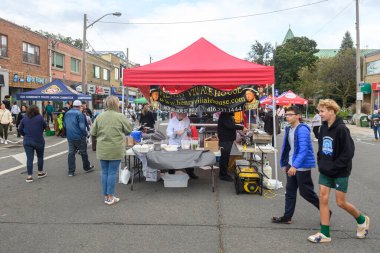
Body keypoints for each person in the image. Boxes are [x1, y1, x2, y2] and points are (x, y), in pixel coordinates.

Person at [308, 99, 370, 243]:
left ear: (332, 111)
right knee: (322, 198)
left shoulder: (342, 129)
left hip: (340, 171)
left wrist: (334, 166)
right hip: (325, 170)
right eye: (319, 111)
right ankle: (325, 234)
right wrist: (321, 163)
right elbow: (322, 149)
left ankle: (362, 220)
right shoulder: (323, 128)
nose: (320, 114)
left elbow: (348, 153)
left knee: (340, 202)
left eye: (322, 111)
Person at [272, 106, 320, 224]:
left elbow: (303, 150)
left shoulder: (302, 129)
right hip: (291, 164)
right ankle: (287, 217)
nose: (287, 116)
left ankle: (325, 212)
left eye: (290, 114)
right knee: (290, 191)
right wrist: (285, 163)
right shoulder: (289, 129)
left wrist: (295, 166)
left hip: (301, 167)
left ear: (298, 116)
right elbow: (287, 148)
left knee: (306, 193)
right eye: (287, 114)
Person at [91, 96, 133, 205]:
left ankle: (106, 196)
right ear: (116, 104)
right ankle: (110, 197)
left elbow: (93, 132)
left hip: (102, 148)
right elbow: (129, 130)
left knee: (105, 173)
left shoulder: (99, 117)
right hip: (115, 148)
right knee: (112, 173)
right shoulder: (120, 116)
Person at [63, 100, 94, 176]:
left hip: (70, 136)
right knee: (83, 152)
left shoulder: (67, 113)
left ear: (73, 105)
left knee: (71, 153)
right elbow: (82, 126)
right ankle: (86, 167)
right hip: (79, 136)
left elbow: (64, 124)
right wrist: (85, 134)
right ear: (80, 106)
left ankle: (71, 171)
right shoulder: (80, 114)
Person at [18, 105, 47, 182]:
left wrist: (24, 134)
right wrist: (41, 130)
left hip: (27, 140)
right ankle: (40, 172)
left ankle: (29, 176)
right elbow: (45, 126)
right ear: (37, 110)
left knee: (29, 159)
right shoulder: (40, 117)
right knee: (40, 157)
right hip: (38, 139)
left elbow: (20, 128)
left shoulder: (25, 118)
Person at [166, 112, 199, 179]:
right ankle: (171, 172)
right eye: (183, 114)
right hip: (174, 143)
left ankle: (190, 172)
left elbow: (188, 128)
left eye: (185, 114)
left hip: (184, 141)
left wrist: (189, 133)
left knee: (187, 157)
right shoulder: (172, 121)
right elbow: (168, 133)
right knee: (173, 158)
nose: (185, 115)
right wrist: (175, 133)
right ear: (178, 114)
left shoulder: (187, 119)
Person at [217, 112, 248, 181]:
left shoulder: (228, 115)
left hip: (228, 139)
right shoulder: (225, 115)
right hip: (225, 140)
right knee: (224, 157)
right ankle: (223, 175)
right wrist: (242, 127)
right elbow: (230, 126)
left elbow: (231, 125)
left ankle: (224, 173)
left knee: (226, 157)